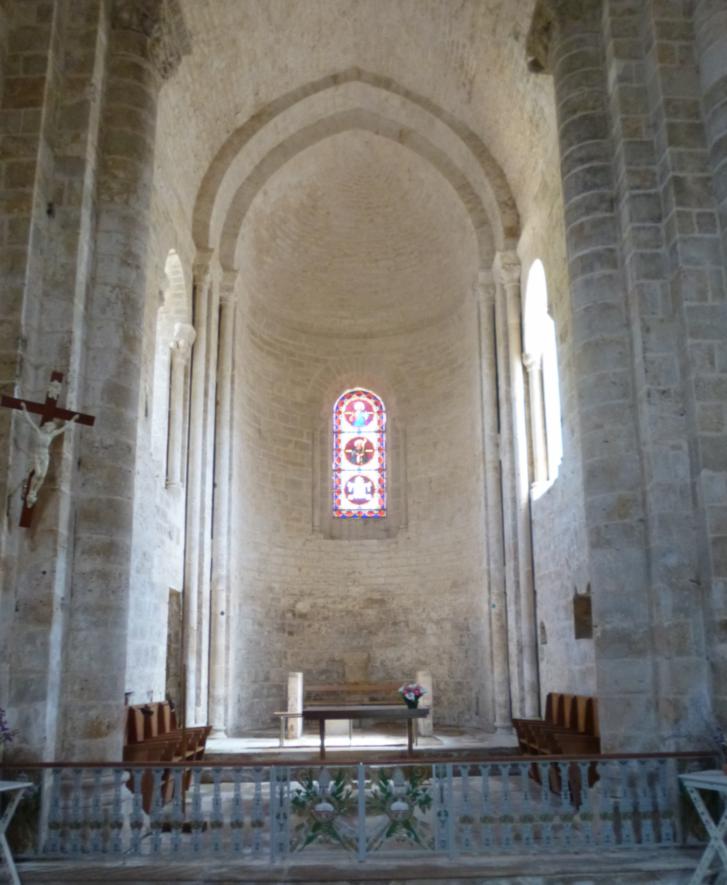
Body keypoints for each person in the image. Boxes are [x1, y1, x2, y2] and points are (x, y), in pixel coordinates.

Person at [20, 404, 78, 507]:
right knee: (38, 474)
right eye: (50, 427)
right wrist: (24, 409)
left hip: (45, 456)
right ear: (46, 426)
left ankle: (34, 493)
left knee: (42, 476)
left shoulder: (51, 435)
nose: (51, 429)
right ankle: (30, 491)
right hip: (37, 455)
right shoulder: (38, 431)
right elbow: (29, 421)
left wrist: (73, 419)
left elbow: (64, 428)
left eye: (52, 428)